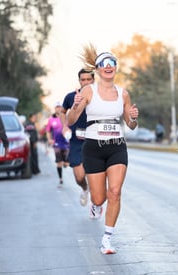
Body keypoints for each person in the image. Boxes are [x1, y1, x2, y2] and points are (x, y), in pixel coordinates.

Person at [67, 45, 139, 254]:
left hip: (116, 146)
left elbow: (131, 124)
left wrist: (133, 117)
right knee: (99, 198)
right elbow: (71, 120)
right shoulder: (88, 91)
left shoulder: (123, 93)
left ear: (116, 68)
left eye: (112, 64)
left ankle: (107, 239)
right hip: (93, 147)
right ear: (97, 69)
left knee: (115, 192)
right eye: (104, 64)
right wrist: (75, 106)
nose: (108, 67)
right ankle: (95, 205)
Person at [60, 68, 95, 206]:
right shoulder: (71, 97)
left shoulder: (98, 97)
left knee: (94, 176)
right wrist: (64, 126)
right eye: (83, 79)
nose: (85, 82)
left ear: (93, 80)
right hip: (76, 141)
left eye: (88, 79)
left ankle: (95, 203)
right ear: (79, 81)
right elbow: (63, 112)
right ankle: (85, 189)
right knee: (79, 176)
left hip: (94, 141)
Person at [46, 102, 70, 187]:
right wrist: (49, 139)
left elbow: (71, 128)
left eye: (60, 107)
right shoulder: (51, 119)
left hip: (66, 143)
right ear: (55, 108)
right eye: (57, 107)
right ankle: (60, 179)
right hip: (56, 143)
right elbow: (48, 131)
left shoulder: (66, 118)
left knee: (66, 164)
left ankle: (66, 163)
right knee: (59, 162)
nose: (58, 108)